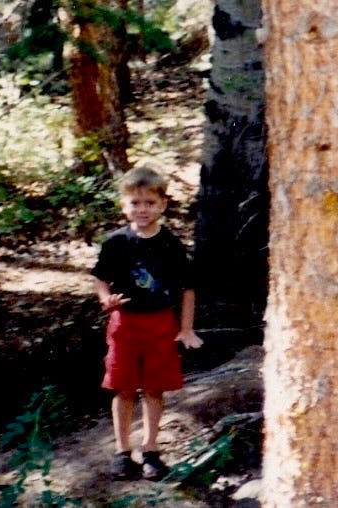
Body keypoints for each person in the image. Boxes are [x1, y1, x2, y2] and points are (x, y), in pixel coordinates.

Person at [91, 166, 203, 481]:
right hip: (124, 325)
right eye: (135, 203)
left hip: (161, 324)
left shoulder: (170, 244)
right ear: (124, 205)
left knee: (154, 388)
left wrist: (186, 328)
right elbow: (100, 278)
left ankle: (151, 449)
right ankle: (122, 451)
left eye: (150, 203)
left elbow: (187, 288)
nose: (142, 210)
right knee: (124, 388)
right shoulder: (116, 242)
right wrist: (106, 299)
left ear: (163, 204)